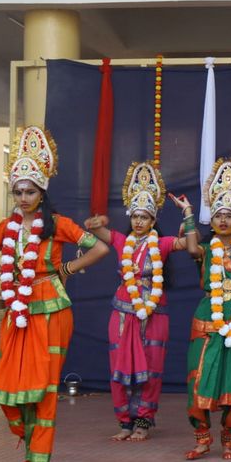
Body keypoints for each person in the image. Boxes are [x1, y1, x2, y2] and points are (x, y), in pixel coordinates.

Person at [0, 126, 110, 462]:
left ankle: (38, 460)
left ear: (41, 192)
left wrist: (67, 266)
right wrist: (5, 276)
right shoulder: (4, 227)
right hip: (18, 309)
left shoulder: (56, 225)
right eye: (18, 192)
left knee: (44, 389)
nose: (23, 197)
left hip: (51, 310)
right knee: (8, 385)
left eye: (30, 191)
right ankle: (26, 444)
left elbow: (100, 247)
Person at [84, 162, 193, 442]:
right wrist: (95, 223)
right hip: (123, 311)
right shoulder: (122, 240)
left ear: (154, 220)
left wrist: (189, 217)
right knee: (119, 364)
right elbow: (97, 233)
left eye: (145, 217)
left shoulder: (164, 243)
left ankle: (143, 421)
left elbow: (192, 245)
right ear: (131, 217)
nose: (139, 222)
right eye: (136, 216)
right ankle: (124, 423)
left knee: (152, 366)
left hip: (155, 312)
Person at [171, 158, 231, 461]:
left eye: (229, 216)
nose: (223, 220)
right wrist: (188, 215)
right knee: (199, 378)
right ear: (211, 220)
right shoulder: (205, 249)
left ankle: (229, 440)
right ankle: (202, 438)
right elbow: (189, 248)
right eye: (218, 215)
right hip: (207, 320)